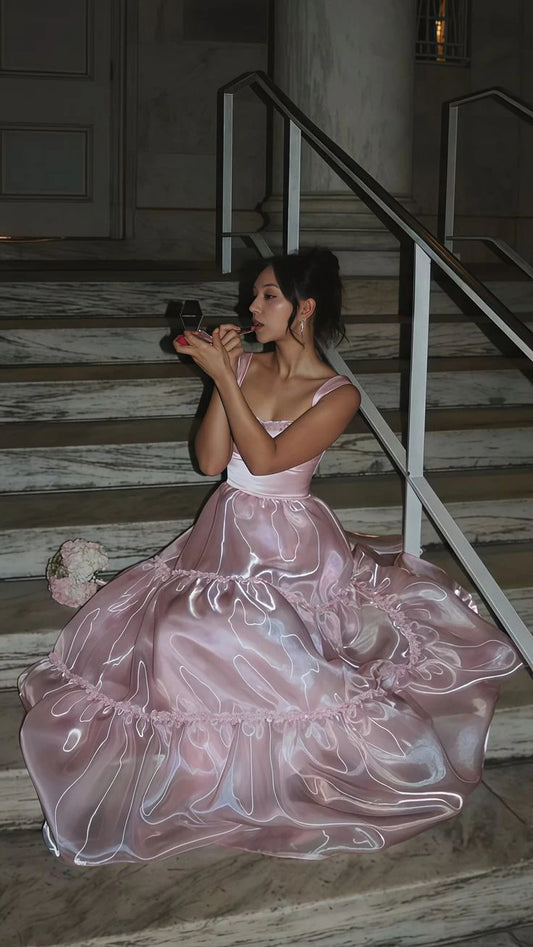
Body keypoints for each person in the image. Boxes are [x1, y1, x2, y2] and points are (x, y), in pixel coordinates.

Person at [18, 249, 521, 867]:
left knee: (241, 634)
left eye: (267, 296)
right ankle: (203, 743)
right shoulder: (246, 366)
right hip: (225, 528)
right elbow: (211, 461)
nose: (251, 307)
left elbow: (268, 460)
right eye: (254, 296)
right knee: (176, 625)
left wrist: (227, 378)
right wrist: (223, 375)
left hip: (288, 546)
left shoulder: (339, 394)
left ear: (304, 308)